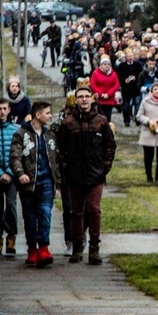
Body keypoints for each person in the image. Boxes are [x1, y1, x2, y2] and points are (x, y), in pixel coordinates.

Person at [57, 85, 117, 265]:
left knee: (94, 210)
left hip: (95, 173)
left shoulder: (101, 121)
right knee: (76, 212)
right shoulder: (68, 123)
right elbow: (60, 148)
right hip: (75, 174)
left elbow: (110, 145)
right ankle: (77, 246)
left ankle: (94, 248)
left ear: (92, 98)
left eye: (86, 96)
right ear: (76, 100)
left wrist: (105, 165)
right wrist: (66, 167)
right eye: (80, 96)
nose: (83, 99)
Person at [9, 101, 60, 268]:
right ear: (38, 115)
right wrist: (20, 173)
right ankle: (32, 249)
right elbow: (15, 157)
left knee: (45, 214)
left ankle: (44, 248)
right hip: (28, 184)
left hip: (46, 182)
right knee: (30, 217)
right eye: (47, 113)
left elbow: (55, 160)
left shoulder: (50, 135)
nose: (50, 116)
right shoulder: (21, 134)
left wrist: (57, 184)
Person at [0, 98, 20, 256]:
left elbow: (18, 154)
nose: (2, 112)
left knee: (11, 206)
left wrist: (9, 171)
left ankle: (11, 236)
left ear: (9, 110)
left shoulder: (16, 130)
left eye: (4, 109)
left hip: (11, 176)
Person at [135, 82, 158, 185]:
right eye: (155, 89)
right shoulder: (145, 101)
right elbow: (139, 116)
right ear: (151, 91)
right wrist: (148, 121)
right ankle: (149, 176)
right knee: (148, 157)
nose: (157, 91)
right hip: (148, 132)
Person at [116, 49, 143, 127]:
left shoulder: (138, 65)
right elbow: (119, 76)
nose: (130, 58)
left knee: (137, 105)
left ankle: (137, 119)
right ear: (126, 57)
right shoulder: (121, 66)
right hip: (126, 89)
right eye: (128, 56)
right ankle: (126, 121)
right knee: (125, 106)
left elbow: (141, 75)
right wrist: (125, 80)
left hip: (135, 88)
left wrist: (135, 77)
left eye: (131, 56)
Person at [89, 56, 120, 122]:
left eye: (108, 64)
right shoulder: (95, 73)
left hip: (110, 99)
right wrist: (101, 93)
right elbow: (93, 84)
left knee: (107, 117)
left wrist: (108, 94)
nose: (107, 66)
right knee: (99, 117)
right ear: (101, 65)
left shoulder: (113, 74)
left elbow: (116, 85)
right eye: (105, 64)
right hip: (99, 99)